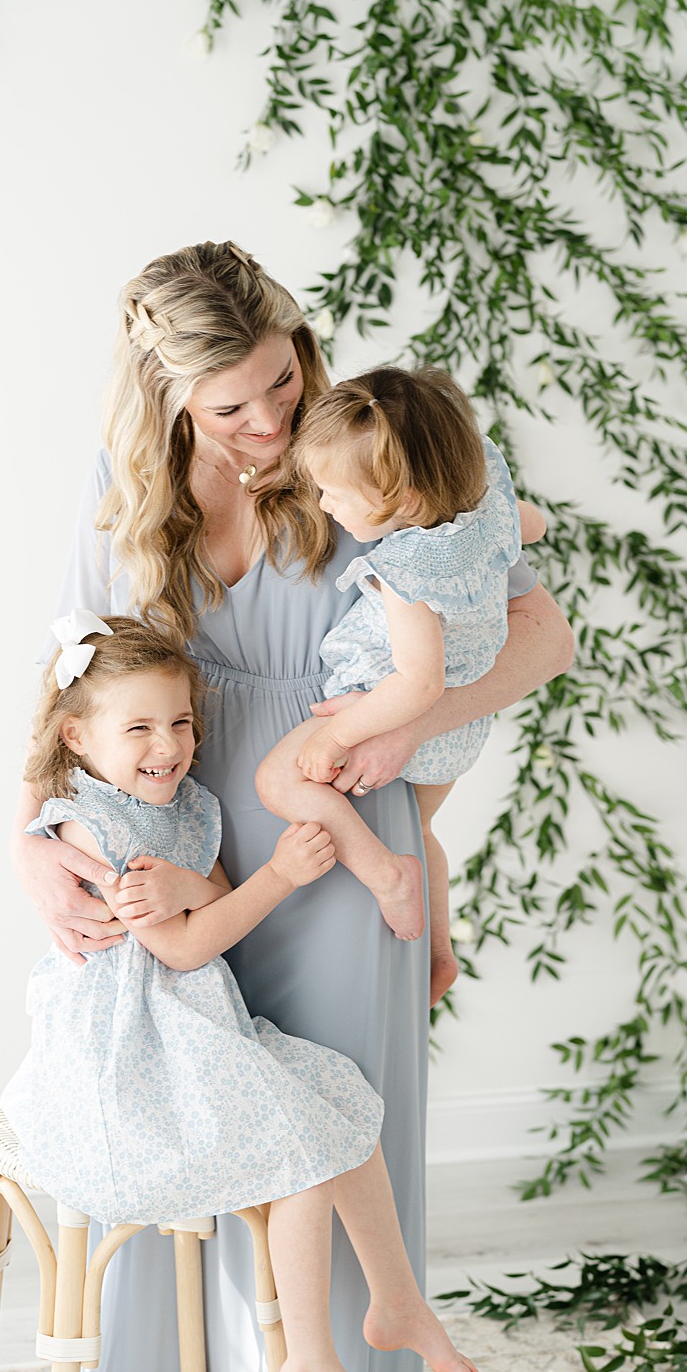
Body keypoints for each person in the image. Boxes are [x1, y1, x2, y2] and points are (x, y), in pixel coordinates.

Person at [15, 242, 573, 1372]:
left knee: (334, 1120)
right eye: (233, 403)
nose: (270, 417)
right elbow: (69, 674)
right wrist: (29, 836)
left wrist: (402, 721)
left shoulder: (372, 445)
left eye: (283, 378)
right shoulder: (121, 485)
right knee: (179, 1122)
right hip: (171, 842)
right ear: (167, 394)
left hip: (334, 832)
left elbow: (541, 635)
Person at [1, 616, 478, 1372]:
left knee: (341, 1101)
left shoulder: (187, 805)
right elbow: (185, 949)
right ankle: (309, 1359)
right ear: (79, 738)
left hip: (192, 1028)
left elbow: (209, 898)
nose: (169, 745)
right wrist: (283, 875)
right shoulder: (94, 824)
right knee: (301, 1145)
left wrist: (196, 888)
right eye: (141, 728)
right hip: (133, 1062)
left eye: (182, 722)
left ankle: (397, 1301)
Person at [256, 367, 544, 998]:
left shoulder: (404, 572)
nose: (325, 505)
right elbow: (535, 524)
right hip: (465, 726)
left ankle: (386, 874)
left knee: (278, 780)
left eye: (334, 493)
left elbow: (418, 683)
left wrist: (338, 738)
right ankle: (439, 953)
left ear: (403, 501)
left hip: (389, 703)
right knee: (425, 827)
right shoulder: (484, 505)